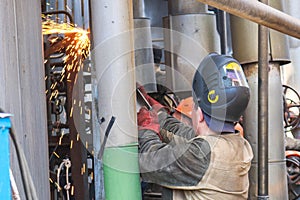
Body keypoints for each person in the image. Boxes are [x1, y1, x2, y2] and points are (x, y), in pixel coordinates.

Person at [137, 52, 254, 200]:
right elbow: (184, 135)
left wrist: (146, 128)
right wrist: (157, 111)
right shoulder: (238, 145)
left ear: (199, 115)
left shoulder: (201, 155)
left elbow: (149, 161)